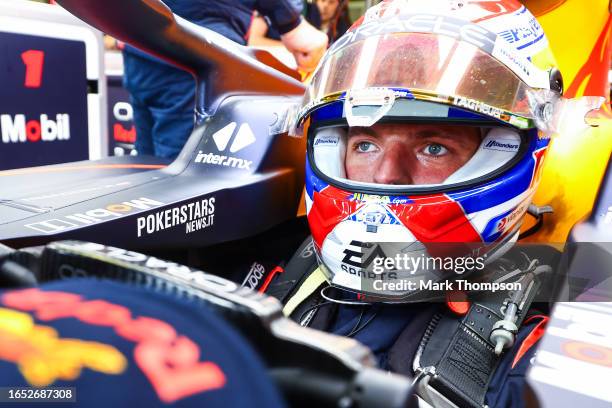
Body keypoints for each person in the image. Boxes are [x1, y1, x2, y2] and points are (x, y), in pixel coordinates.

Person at [260, 1, 569, 406]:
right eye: (365, 144)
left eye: (434, 147)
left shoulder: (547, 351)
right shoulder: (268, 263)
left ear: (506, 151)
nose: (387, 174)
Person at [122, 0, 328, 159]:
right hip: (195, 61)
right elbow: (302, 40)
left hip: (141, 51)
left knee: (147, 169)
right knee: (179, 181)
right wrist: (293, 24)